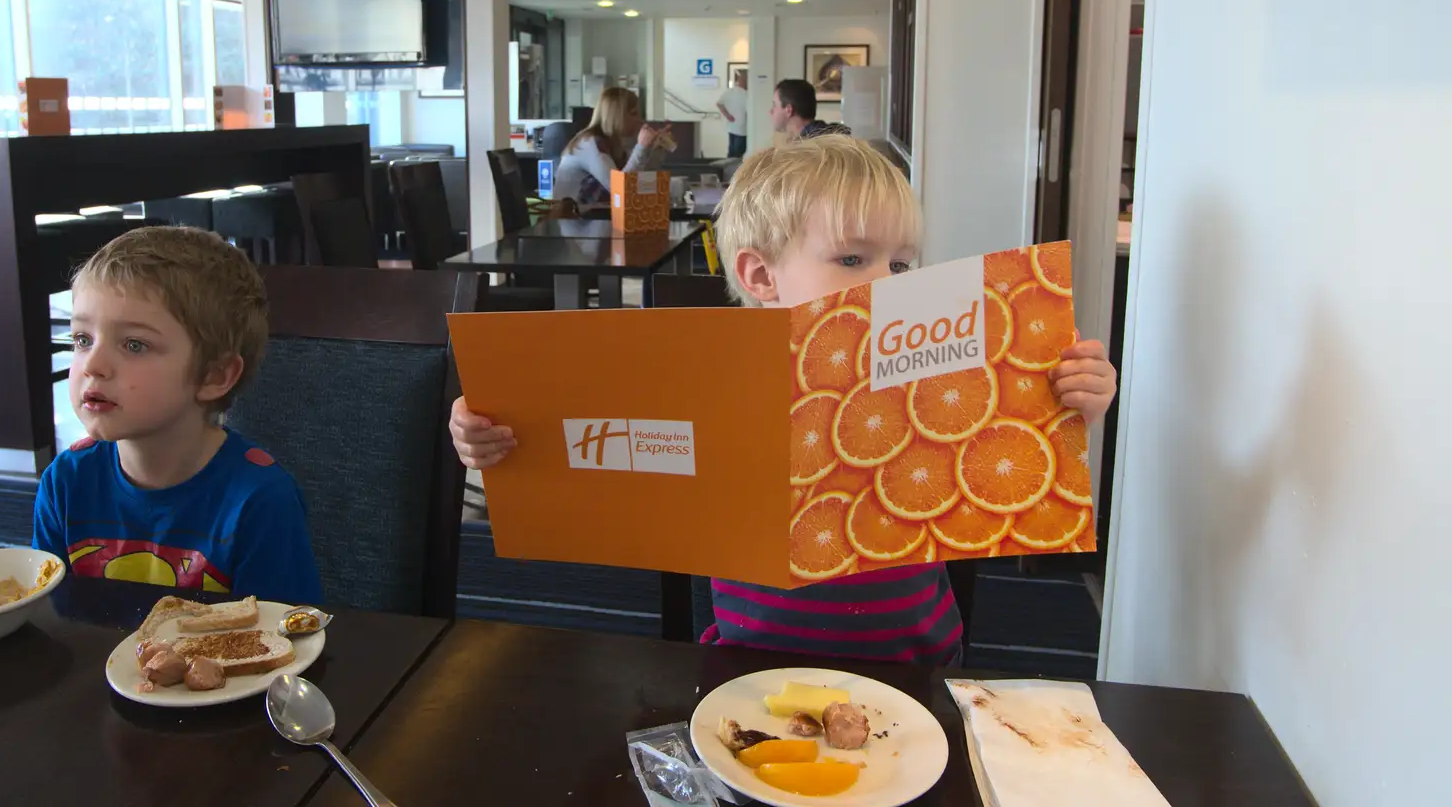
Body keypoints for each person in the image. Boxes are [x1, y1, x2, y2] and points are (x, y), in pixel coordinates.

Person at [448, 137, 1117, 664]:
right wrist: (489, 439)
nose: (888, 282)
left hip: (915, 663)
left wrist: (1071, 404)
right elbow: (594, 459)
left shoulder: (935, 366)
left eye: (903, 265)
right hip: (752, 666)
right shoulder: (704, 382)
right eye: (854, 260)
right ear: (762, 275)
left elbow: (1013, 465)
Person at [31, 225, 323, 604]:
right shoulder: (66, 482)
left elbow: (284, 637)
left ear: (214, 376)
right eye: (83, 339)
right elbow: (48, 618)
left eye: (134, 345)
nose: (94, 365)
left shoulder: (260, 501)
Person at [553, 87, 670, 206]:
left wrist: (654, 149)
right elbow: (620, 189)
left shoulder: (612, 142)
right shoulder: (591, 144)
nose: (639, 120)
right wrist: (641, 148)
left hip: (597, 215)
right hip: (579, 219)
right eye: (634, 113)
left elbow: (636, 175)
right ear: (617, 115)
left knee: (657, 192)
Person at [770, 78, 850, 139]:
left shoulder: (816, 147)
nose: (770, 111)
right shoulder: (818, 137)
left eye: (774, 105)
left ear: (789, 110)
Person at [716, 69, 749, 157]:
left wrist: (727, 116)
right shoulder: (747, 94)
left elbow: (719, 104)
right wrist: (727, 115)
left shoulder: (729, 92)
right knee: (738, 153)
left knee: (732, 152)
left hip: (732, 127)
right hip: (743, 129)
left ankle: (730, 169)